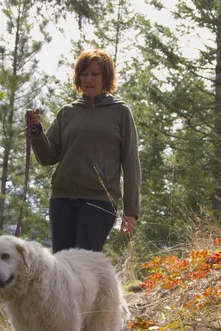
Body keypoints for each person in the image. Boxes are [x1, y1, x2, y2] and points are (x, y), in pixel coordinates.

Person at [25, 47, 141, 254]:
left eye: (95, 74)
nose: (89, 79)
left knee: (83, 263)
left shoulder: (120, 112)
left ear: (106, 78)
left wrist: (131, 211)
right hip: (61, 200)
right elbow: (48, 157)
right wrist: (36, 132)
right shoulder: (67, 113)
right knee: (62, 265)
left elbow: (131, 162)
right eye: (84, 74)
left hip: (100, 200)